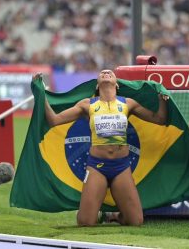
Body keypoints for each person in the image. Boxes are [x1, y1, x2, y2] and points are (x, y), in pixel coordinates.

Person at [33, 70, 169, 226]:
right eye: (102, 72)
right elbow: (54, 120)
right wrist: (41, 93)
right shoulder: (87, 105)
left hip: (121, 166)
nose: (106, 72)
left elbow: (160, 119)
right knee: (85, 223)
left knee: (136, 221)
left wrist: (162, 99)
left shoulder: (127, 103)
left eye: (110, 72)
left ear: (117, 84)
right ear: (97, 85)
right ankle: (94, 212)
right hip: (97, 167)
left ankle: (113, 216)